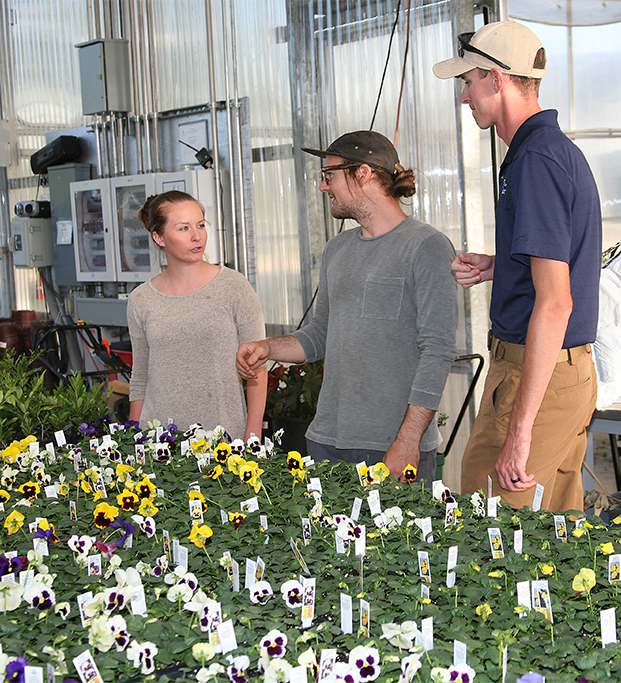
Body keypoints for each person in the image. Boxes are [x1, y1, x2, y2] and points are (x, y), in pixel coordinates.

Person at [433, 20, 602, 512]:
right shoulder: (547, 152)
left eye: (468, 81)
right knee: (554, 537)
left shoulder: (536, 162)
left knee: (494, 531)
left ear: (497, 79)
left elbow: (556, 302)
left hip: (537, 373)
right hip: (558, 372)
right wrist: (500, 265)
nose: (465, 96)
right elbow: (560, 267)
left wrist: (520, 430)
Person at [237, 131, 457, 481]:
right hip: (327, 441)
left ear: (363, 173)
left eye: (330, 176)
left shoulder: (426, 247)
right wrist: (268, 348)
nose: (324, 187)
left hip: (391, 447)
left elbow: (438, 349)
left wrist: (409, 438)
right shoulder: (337, 250)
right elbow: (319, 335)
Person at [127, 190, 267, 439]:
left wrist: (253, 437)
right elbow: (140, 376)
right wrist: (132, 439)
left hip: (224, 442)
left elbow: (258, 366)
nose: (196, 236)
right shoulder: (141, 299)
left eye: (200, 225)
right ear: (159, 237)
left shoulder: (234, 287)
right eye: (183, 228)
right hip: (159, 443)